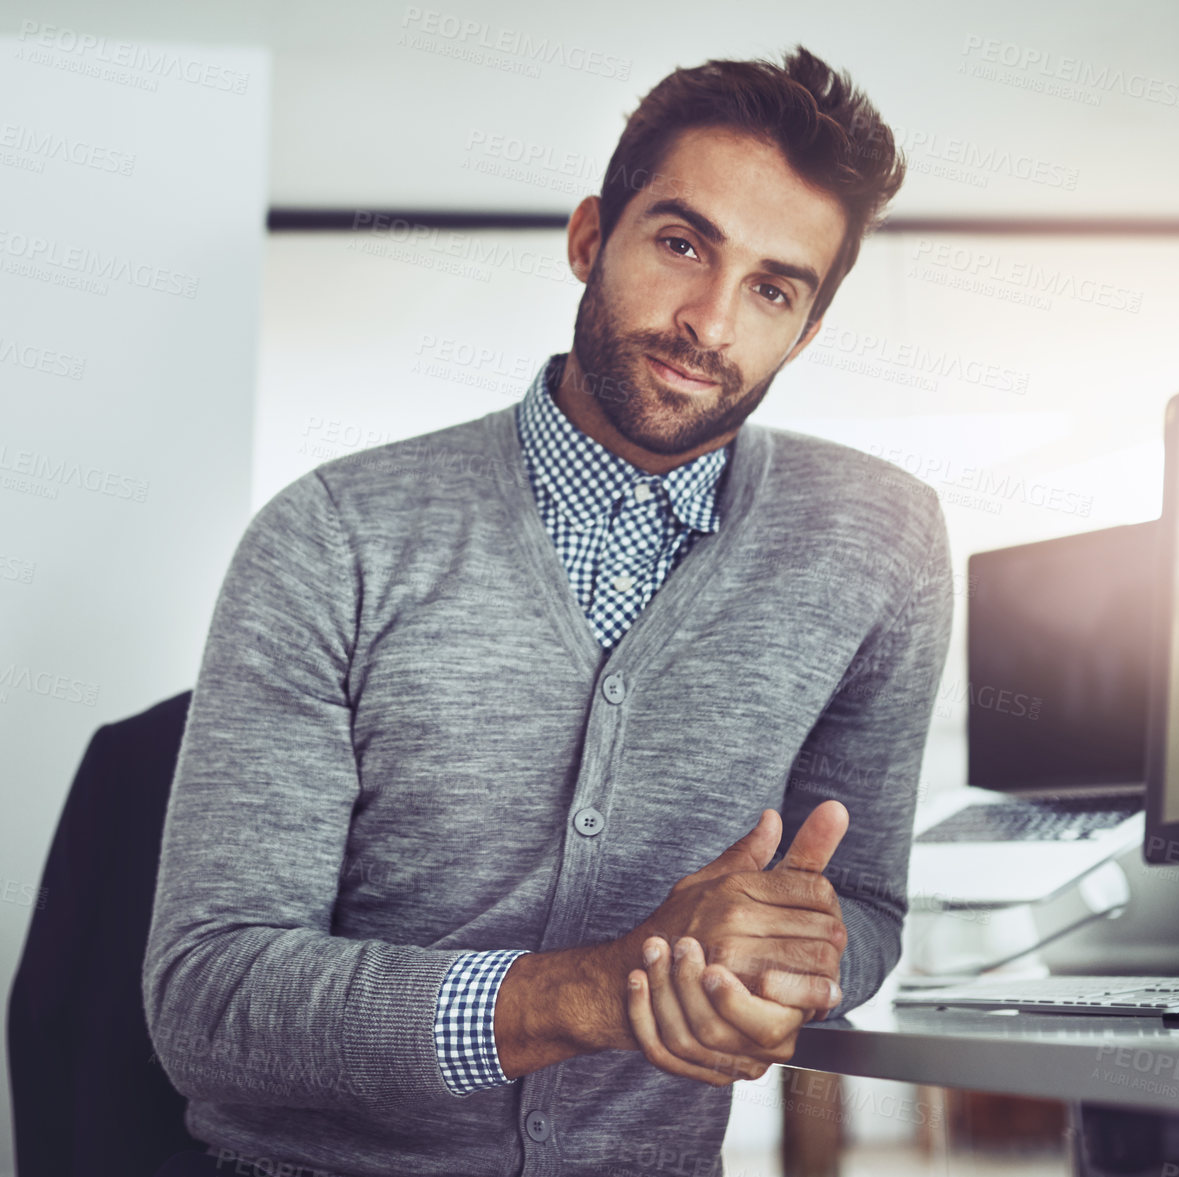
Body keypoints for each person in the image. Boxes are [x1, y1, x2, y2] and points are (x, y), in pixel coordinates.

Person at [143, 46, 951, 1177]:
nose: (711, 324)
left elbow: (858, 907)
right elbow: (211, 998)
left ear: (806, 329)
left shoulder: (879, 540)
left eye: (773, 287)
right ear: (589, 237)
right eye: (681, 243)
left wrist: (788, 961)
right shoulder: (333, 535)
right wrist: (602, 987)